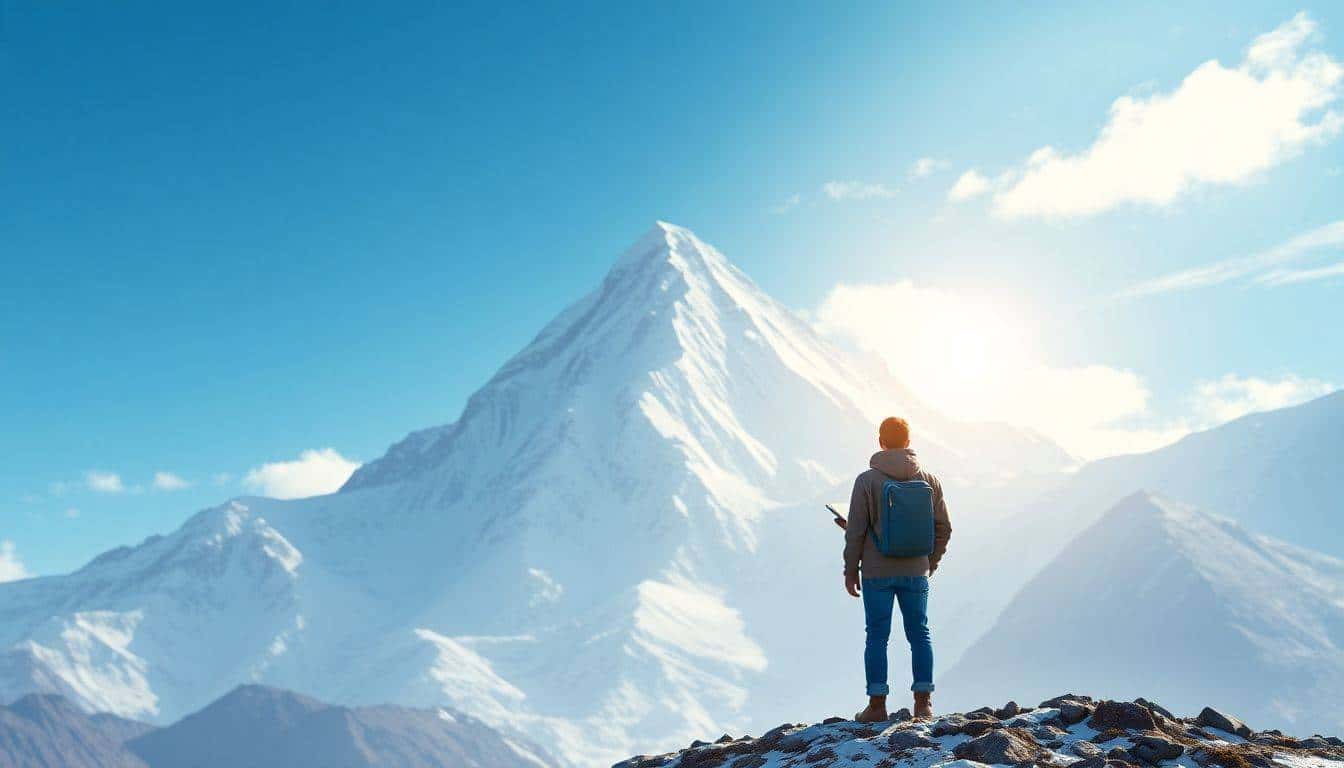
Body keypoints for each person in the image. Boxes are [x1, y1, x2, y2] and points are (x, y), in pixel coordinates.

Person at [835, 417, 951, 722]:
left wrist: (850, 571)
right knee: (920, 633)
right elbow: (944, 528)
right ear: (908, 441)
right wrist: (929, 563)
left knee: (876, 636)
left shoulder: (866, 481)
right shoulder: (930, 480)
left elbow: (857, 532)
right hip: (916, 571)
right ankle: (923, 704)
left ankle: (876, 706)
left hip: (876, 573)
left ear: (880, 442)